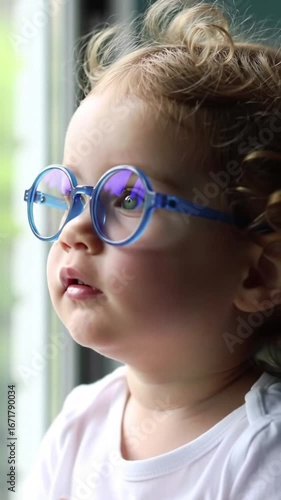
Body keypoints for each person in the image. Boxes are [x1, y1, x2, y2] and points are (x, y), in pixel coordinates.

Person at [23, 0, 281, 498]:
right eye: (71, 195)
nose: (76, 228)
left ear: (257, 276)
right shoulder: (80, 422)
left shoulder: (262, 454)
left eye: (126, 199)